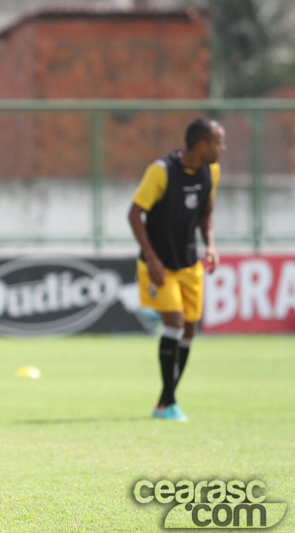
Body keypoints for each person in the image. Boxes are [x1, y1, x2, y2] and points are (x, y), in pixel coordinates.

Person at [128, 117, 225, 422]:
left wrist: (210, 245)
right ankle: (168, 402)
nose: (222, 148)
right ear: (202, 145)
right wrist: (151, 257)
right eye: (218, 142)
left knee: (190, 329)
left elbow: (206, 213)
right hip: (159, 265)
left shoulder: (211, 171)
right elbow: (134, 214)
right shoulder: (162, 171)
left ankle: (164, 402)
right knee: (175, 322)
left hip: (189, 262)